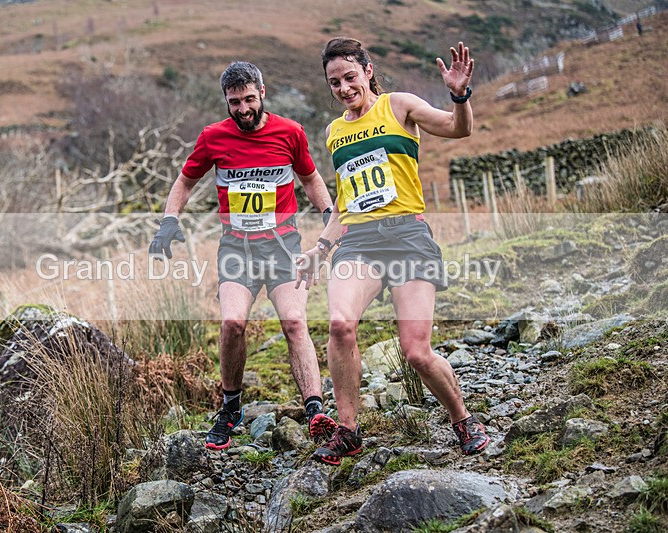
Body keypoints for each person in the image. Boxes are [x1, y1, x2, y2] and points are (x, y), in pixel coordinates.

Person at [295, 38, 490, 465]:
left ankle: (462, 419)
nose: (344, 87)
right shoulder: (334, 132)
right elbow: (344, 203)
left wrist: (459, 95)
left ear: (367, 70)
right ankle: (348, 430)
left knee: (416, 352)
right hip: (360, 242)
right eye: (335, 82)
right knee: (341, 325)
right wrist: (320, 248)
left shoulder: (398, 106)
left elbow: (459, 129)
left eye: (350, 77)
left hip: (407, 237)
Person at [149, 61, 338, 450]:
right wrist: (169, 220)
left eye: (249, 99)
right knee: (233, 323)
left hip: (283, 245)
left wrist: (329, 217)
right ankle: (231, 407)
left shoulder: (289, 132)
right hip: (237, 248)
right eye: (235, 102)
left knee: (294, 321)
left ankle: (315, 409)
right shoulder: (213, 138)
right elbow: (185, 181)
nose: (243, 109)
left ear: (262, 93)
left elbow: (310, 177)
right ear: (226, 101)